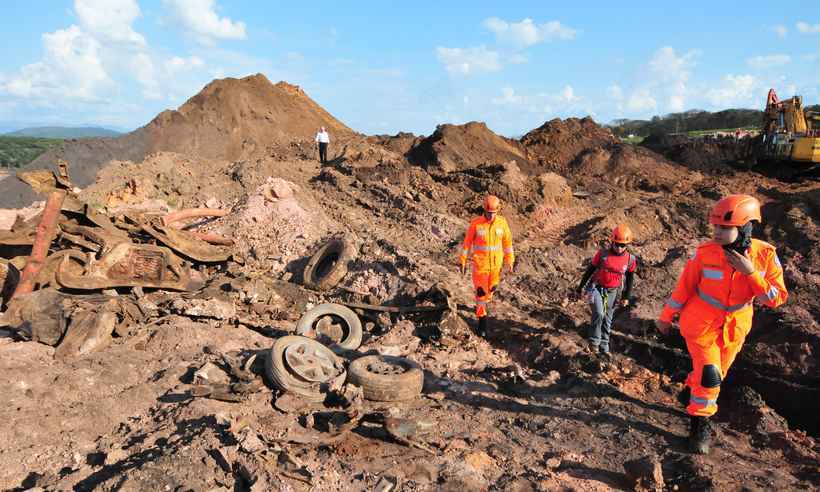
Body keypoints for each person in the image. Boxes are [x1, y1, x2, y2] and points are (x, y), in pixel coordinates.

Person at [656, 194, 787, 455]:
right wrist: (666, 316)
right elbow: (684, 287)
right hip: (700, 322)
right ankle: (700, 424)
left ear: (746, 227)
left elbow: (775, 299)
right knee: (710, 375)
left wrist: (751, 273)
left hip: (735, 327)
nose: (717, 232)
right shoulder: (705, 254)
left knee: (716, 374)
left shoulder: (765, 256)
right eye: (715, 226)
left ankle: (690, 391)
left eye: (724, 228)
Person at [575, 224, 637, 357]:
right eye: (617, 244)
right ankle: (594, 344)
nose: (619, 248)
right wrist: (580, 288)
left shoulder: (630, 260)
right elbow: (590, 270)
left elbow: (630, 278)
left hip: (613, 291)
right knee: (599, 313)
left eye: (623, 245)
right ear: (612, 242)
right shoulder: (602, 254)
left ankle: (604, 346)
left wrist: (626, 296)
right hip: (596, 288)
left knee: (608, 319)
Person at [459, 195, 515, 337]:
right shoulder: (476, 224)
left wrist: (510, 260)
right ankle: (482, 323)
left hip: (496, 267)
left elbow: (507, 244)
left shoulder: (502, 224)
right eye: (489, 213)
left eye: (494, 213)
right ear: (484, 210)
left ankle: (484, 303)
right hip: (480, 268)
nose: (491, 216)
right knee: (481, 295)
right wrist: (463, 260)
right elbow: (467, 244)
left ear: (498, 211)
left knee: (491, 290)